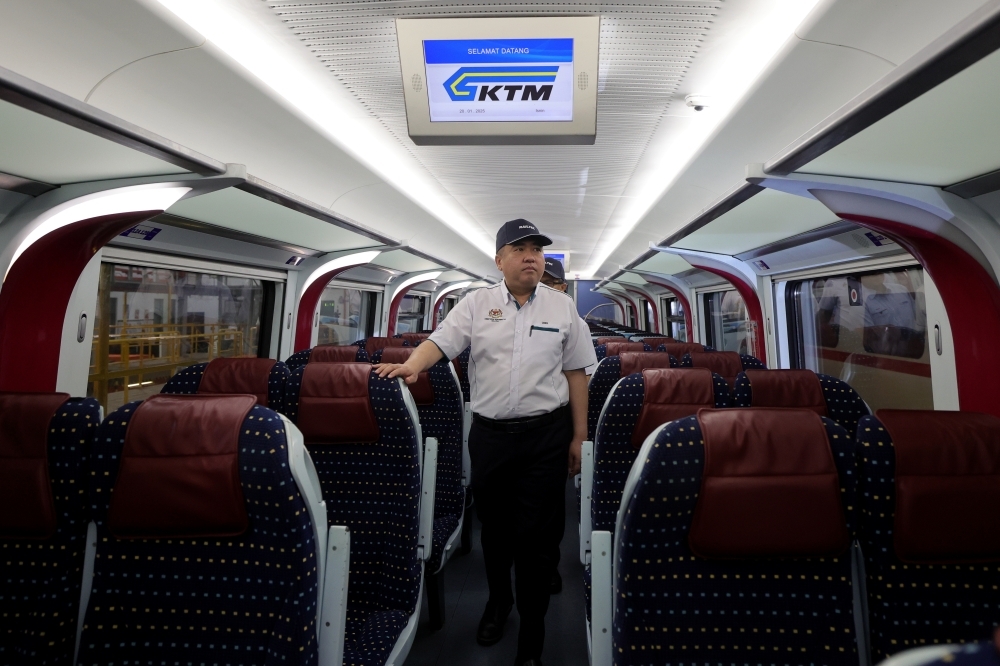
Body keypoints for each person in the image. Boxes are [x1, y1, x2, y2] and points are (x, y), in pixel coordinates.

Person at [375, 219, 597, 666]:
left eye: (536, 249)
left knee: (536, 541)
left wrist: (579, 436)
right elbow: (440, 342)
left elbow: (576, 374)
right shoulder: (475, 305)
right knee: (495, 532)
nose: (531, 256)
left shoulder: (561, 308)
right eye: (519, 249)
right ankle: (499, 602)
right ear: (499, 260)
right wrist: (411, 366)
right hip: (492, 436)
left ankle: (532, 638)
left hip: (546, 436)